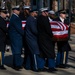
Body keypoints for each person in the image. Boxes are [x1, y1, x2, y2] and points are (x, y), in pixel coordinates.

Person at [37, 7, 57, 72]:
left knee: (42, 53)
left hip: (40, 38)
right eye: (46, 12)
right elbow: (48, 29)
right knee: (50, 53)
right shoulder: (45, 19)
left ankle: (40, 67)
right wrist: (52, 35)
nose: (47, 13)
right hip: (46, 39)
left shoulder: (39, 18)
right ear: (43, 12)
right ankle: (51, 67)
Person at [8, 5, 24, 70]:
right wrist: (25, 34)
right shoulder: (15, 18)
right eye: (17, 10)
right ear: (14, 10)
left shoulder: (14, 17)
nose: (19, 11)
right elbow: (19, 29)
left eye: (19, 10)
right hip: (16, 37)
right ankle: (17, 65)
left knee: (16, 51)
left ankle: (16, 64)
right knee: (17, 51)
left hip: (15, 37)